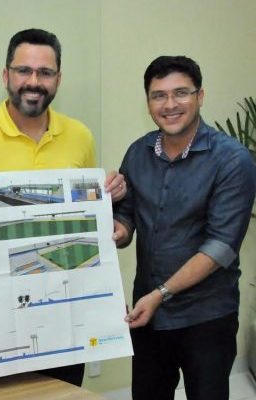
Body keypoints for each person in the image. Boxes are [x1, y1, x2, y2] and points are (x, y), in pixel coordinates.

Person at [0, 28, 126, 387]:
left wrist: (109, 199)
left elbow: (89, 217)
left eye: (45, 72)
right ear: (5, 75)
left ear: (58, 79)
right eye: (23, 70)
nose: (34, 82)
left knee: (63, 392)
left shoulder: (81, 136)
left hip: (64, 314)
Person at [113, 56, 256, 400]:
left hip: (207, 317)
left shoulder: (232, 160)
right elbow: (127, 216)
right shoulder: (138, 152)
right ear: (148, 102)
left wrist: (160, 294)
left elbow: (220, 247)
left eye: (181, 93)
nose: (170, 104)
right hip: (148, 314)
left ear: (200, 96)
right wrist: (118, 231)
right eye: (158, 95)